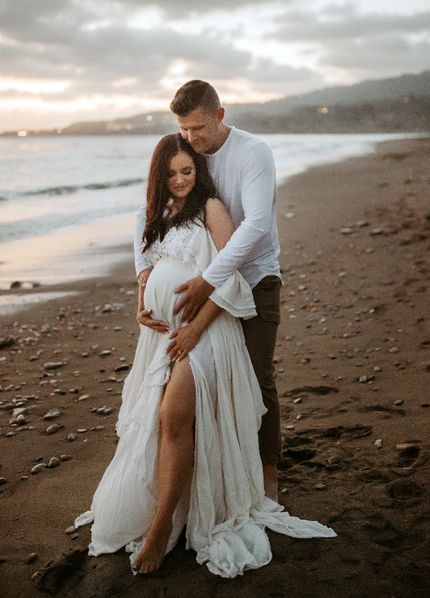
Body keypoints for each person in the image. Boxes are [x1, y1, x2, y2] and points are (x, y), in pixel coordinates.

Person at [74, 134, 336, 578]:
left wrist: (195, 329)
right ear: (159, 175)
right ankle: (174, 508)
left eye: (187, 170)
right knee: (159, 422)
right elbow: (148, 266)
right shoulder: (156, 215)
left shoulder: (211, 208)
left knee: (173, 417)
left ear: (200, 171)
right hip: (164, 337)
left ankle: (159, 530)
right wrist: (142, 304)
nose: (179, 180)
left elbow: (229, 275)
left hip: (208, 334)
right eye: (171, 173)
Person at [160, 79, 282, 501]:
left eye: (198, 128)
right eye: (184, 129)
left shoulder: (252, 153)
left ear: (219, 115)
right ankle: (217, 476)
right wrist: (144, 272)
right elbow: (151, 206)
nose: (191, 138)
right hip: (206, 287)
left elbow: (257, 225)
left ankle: (267, 480)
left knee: (256, 377)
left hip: (255, 278)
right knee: (206, 378)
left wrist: (212, 278)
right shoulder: (189, 152)